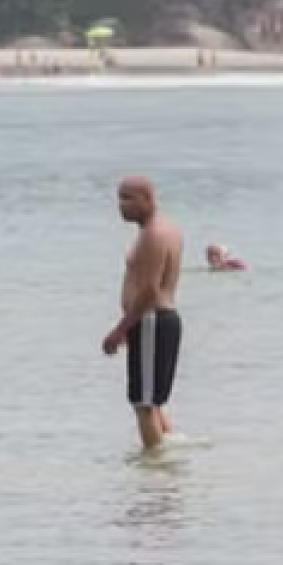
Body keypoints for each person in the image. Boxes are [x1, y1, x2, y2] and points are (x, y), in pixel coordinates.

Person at [102, 176, 184, 450]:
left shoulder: (154, 234)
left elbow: (149, 291)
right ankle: (166, 461)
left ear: (148, 199)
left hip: (151, 320)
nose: (121, 205)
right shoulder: (165, 229)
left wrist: (120, 329)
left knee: (143, 405)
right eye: (119, 198)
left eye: (128, 198)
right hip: (156, 321)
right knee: (152, 403)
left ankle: (155, 472)